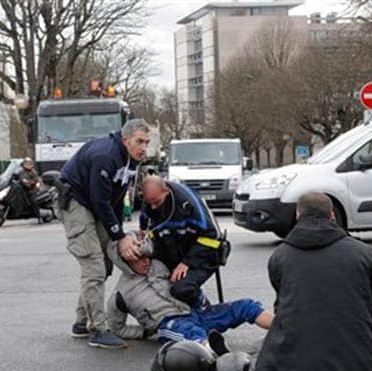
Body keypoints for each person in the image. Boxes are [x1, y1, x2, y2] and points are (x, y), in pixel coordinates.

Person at [232, 192, 372, 371]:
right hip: (359, 363)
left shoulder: (280, 256)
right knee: (355, 341)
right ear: (332, 216)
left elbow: (285, 308)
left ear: (298, 215)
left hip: (293, 363)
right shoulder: (363, 252)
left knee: (266, 343)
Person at [58, 119, 147, 348]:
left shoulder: (131, 159)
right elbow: (100, 200)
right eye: (139, 142)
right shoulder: (106, 156)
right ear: (125, 140)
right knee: (94, 266)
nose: (144, 147)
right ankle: (97, 329)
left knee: (105, 265)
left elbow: (115, 199)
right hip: (77, 203)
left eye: (147, 142)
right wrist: (119, 236)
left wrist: (119, 236)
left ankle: (81, 322)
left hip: (94, 205)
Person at [105, 237, 273, 352]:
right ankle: (218, 358)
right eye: (140, 258)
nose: (146, 261)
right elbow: (117, 328)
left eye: (147, 256)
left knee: (246, 306)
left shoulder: (159, 265)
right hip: (170, 324)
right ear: (125, 261)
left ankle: (286, 328)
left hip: (197, 312)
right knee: (194, 335)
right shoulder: (121, 294)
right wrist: (145, 332)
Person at [139, 176, 222, 308]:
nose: (153, 208)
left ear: (166, 191)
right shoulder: (149, 201)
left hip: (202, 254)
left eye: (157, 202)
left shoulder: (188, 204)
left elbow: (213, 235)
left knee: (181, 289)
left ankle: (205, 308)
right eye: (150, 203)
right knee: (150, 286)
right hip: (172, 249)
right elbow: (145, 229)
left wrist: (186, 263)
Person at [18, 157, 42, 223]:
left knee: (33, 201)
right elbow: (19, 178)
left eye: (29, 164)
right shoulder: (21, 172)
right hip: (22, 189)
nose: (28, 165)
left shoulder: (34, 172)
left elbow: (36, 180)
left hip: (32, 189)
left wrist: (30, 183)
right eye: (26, 164)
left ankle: (39, 217)